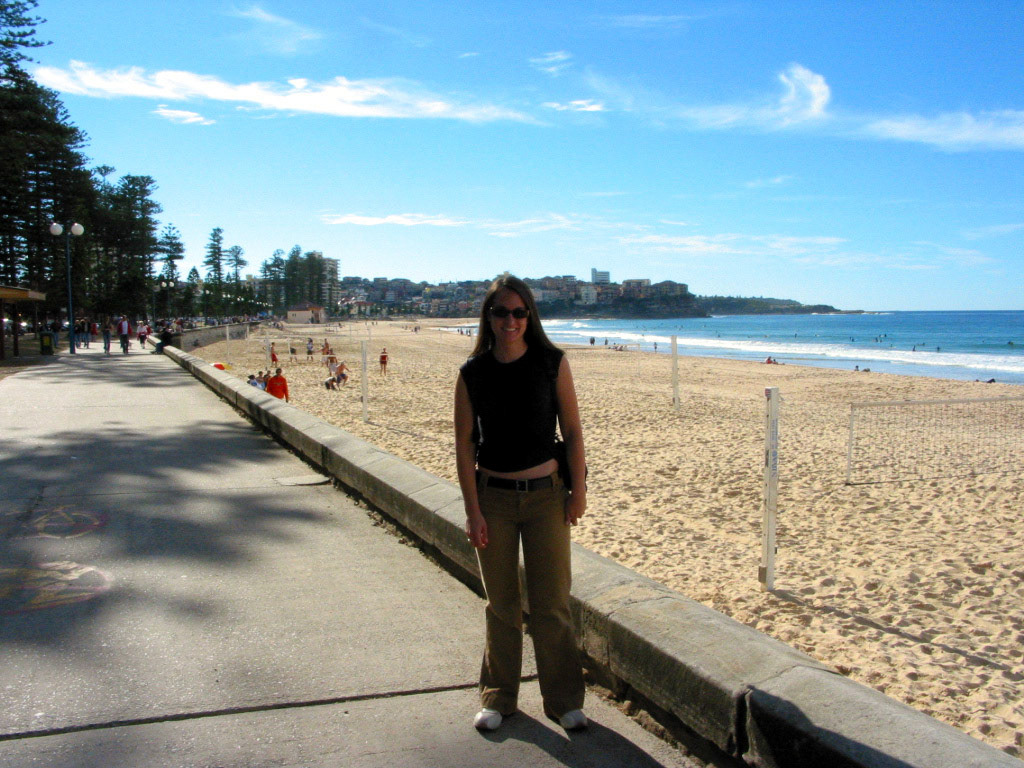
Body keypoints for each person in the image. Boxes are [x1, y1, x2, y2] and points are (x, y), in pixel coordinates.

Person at [454, 275, 588, 733]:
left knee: (552, 603)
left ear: (529, 316)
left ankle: (563, 699)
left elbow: (572, 432)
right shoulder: (473, 373)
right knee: (502, 604)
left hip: (547, 499)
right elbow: (464, 445)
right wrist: (472, 510)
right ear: (487, 318)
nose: (509, 320)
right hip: (492, 498)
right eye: (500, 312)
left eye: (518, 312)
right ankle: (499, 696)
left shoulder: (552, 363)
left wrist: (579, 491)